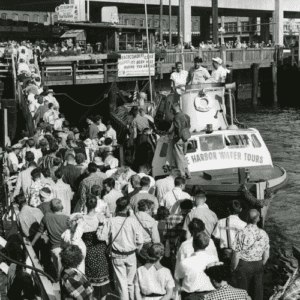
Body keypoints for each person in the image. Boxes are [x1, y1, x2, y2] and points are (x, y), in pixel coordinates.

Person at [97, 197, 144, 300]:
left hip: (117, 255)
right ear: (127, 208)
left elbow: (101, 237)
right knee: (130, 282)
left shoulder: (111, 221)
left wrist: (100, 225)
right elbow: (140, 240)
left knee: (122, 283)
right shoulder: (133, 221)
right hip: (131, 254)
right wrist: (137, 250)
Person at [230, 209, 270, 300]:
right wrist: (260, 264)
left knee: (242, 294)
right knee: (257, 294)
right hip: (258, 265)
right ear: (258, 219)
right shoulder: (263, 234)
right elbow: (266, 255)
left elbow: (236, 255)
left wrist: (233, 269)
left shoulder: (241, 233)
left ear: (247, 218)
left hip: (244, 265)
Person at [31, 199, 69, 280]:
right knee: (65, 272)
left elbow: (40, 231)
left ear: (51, 208)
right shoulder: (67, 218)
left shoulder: (47, 216)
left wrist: (32, 242)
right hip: (66, 247)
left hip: (54, 248)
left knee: (58, 271)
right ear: (61, 207)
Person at [82, 194, 111, 298]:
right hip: (100, 250)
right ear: (96, 205)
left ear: (86, 204)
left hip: (87, 250)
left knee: (89, 276)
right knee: (102, 275)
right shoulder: (101, 218)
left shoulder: (81, 219)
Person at [175, 232, 218, 300]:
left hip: (191, 296)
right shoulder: (214, 259)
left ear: (193, 244)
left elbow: (177, 277)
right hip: (211, 295)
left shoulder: (185, 262)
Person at [167, 103, 191, 178]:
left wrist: (167, 132)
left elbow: (172, 129)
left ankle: (182, 174)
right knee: (183, 156)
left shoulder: (176, 117)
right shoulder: (186, 116)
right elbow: (189, 126)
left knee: (179, 158)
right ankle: (188, 173)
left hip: (178, 139)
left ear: (174, 110)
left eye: (172, 111)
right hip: (186, 138)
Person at [135, 200, 160, 266]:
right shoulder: (151, 220)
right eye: (151, 209)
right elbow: (155, 239)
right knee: (147, 266)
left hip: (134, 245)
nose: (151, 211)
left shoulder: (131, 218)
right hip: (147, 246)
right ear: (147, 209)